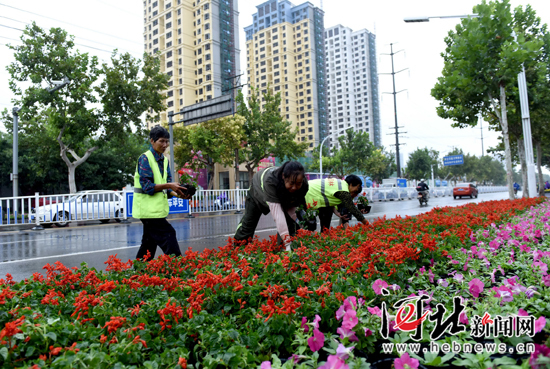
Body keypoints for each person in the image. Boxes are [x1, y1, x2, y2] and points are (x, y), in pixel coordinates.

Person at [133, 126, 191, 260]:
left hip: (156, 210)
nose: (165, 145)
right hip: (147, 210)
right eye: (161, 141)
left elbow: (168, 186)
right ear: (152, 141)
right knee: (168, 234)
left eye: (166, 141)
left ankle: (139, 271)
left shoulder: (164, 160)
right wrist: (169, 185)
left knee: (149, 243)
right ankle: (178, 267)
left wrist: (179, 194)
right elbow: (147, 187)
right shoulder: (145, 159)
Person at [234, 161, 308, 251]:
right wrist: (287, 243)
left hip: (281, 195)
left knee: (291, 225)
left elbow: (293, 208)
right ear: (283, 176)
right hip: (257, 195)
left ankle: (283, 251)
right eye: (291, 183)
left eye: (298, 184)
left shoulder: (303, 184)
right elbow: (278, 216)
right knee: (248, 225)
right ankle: (237, 251)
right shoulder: (270, 181)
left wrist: (303, 219)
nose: (294, 187)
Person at [305, 175, 369, 233]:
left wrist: (337, 213)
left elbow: (330, 199)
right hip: (306, 193)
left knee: (325, 221)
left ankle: (323, 235)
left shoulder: (340, 185)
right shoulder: (343, 190)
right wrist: (367, 223)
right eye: (357, 187)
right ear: (351, 184)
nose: (356, 192)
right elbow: (352, 208)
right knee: (305, 223)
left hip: (310, 190)